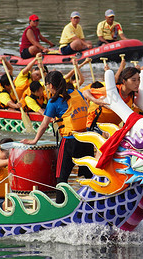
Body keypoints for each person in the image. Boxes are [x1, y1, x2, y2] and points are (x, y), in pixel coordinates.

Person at [21, 71, 93, 204]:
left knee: (61, 178)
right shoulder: (77, 92)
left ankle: (60, 206)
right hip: (87, 140)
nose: (46, 88)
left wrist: (34, 140)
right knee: (89, 175)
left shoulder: (53, 102)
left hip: (70, 143)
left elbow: (44, 125)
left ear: (50, 85)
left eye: (47, 85)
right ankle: (93, 201)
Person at [83, 67, 140, 132]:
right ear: (124, 81)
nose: (137, 83)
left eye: (139, 79)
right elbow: (85, 92)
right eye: (134, 80)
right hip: (96, 125)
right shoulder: (111, 91)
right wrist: (96, 101)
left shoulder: (132, 94)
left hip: (113, 127)